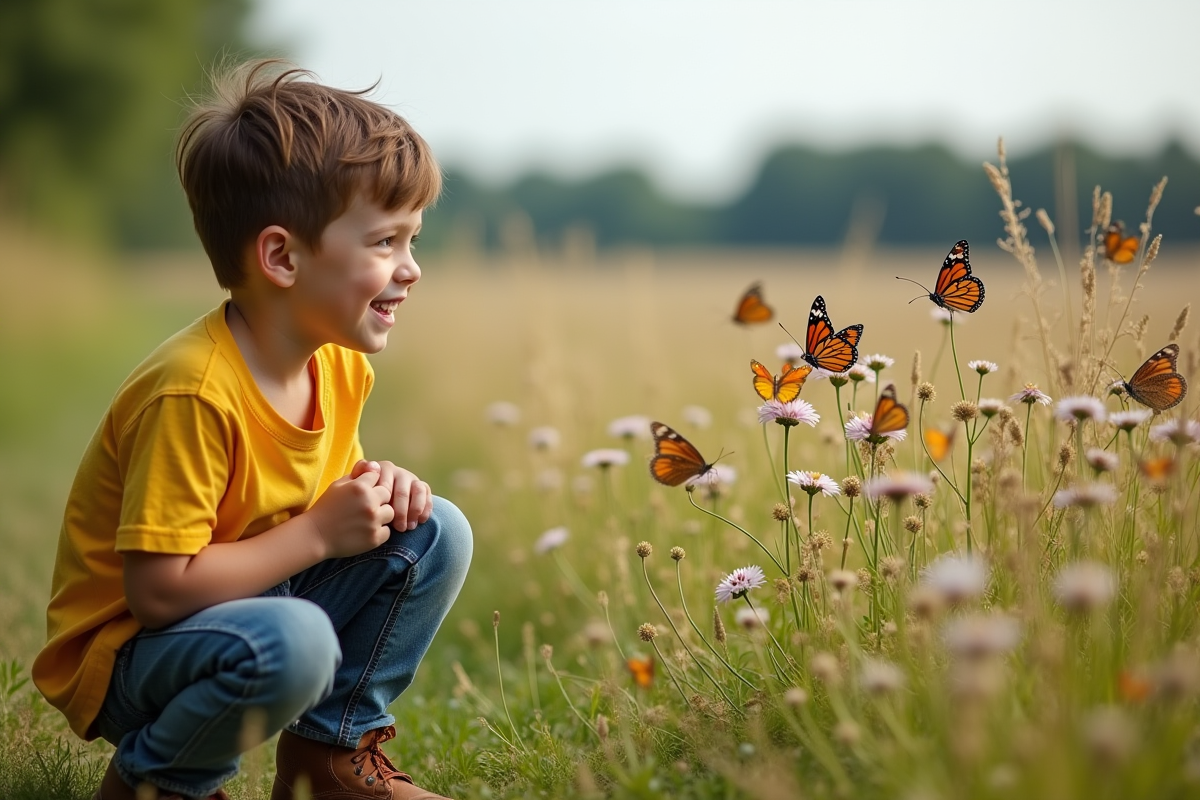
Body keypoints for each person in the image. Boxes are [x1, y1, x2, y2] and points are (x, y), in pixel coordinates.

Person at [31, 58, 473, 800]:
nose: (412, 268)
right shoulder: (194, 392)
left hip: (250, 609)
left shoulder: (337, 367)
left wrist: (372, 494)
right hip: (133, 655)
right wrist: (318, 537)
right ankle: (161, 783)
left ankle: (327, 761)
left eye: (413, 240)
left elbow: (329, 506)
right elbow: (160, 594)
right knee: (296, 641)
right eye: (385, 243)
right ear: (282, 257)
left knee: (435, 532)